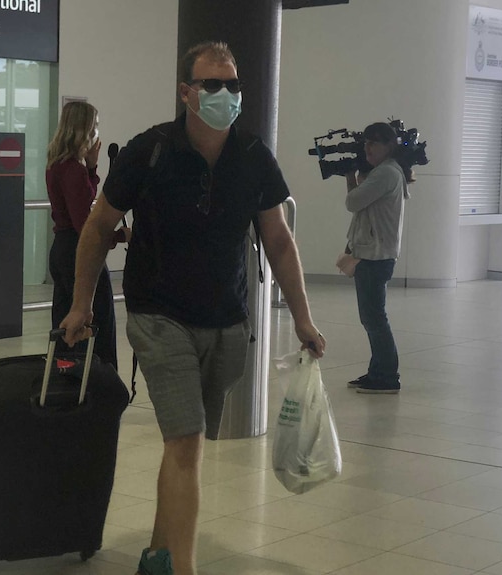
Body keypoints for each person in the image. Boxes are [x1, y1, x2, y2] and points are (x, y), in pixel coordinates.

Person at [59, 42, 325, 575]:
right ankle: (184, 566)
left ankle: (159, 554)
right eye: (211, 84)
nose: (224, 94)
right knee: (185, 440)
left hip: (227, 323)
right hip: (159, 316)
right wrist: (80, 303)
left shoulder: (252, 156)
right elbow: (97, 226)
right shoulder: (148, 150)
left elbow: (278, 239)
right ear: (186, 92)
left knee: (188, 445)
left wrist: (302, 316)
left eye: (232, 85)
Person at [45, 101, 129, 369]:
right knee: (97, 318)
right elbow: (86, 224)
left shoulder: (57, 165)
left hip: (61, 248)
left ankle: (65, 371)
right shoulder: (72, 169)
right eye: (95, 125)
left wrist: (92, 168)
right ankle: (99, 377)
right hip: (77, 251)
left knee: (64, 316)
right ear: (85, 128)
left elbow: (81, 202)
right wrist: (119, 237)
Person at [344, 122, 410, 394]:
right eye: (366, 143)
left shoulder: (385, 174)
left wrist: (350, 176)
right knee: (371, 317)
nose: (368, 148)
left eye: (374, 143)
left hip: (376, 256)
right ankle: (377, 371)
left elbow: (352, 202)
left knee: (374, 318)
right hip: (374, 253)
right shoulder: (385, 172)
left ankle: (387, 376)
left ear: (389, 146)